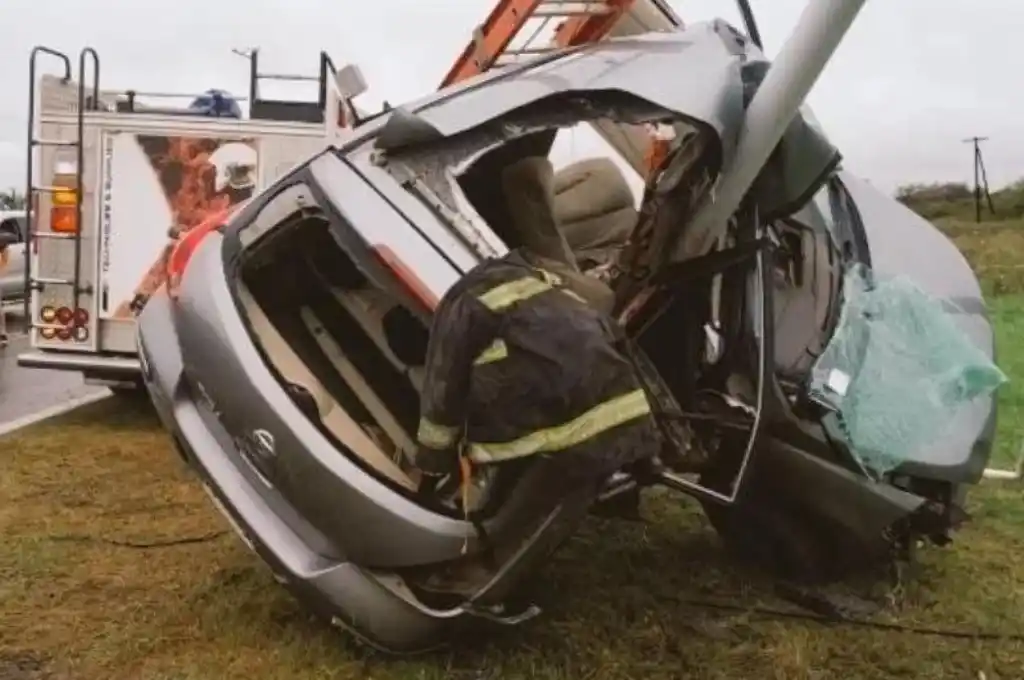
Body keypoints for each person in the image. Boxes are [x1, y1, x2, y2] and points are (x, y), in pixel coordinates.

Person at [409, 156, 665, 597]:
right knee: (565, 490)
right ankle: (491, 572)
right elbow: (616, 345)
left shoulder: (458, 308)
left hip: (571, 421)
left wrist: (428, 479)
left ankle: (481, 585)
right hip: (619, 407)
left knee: (535, 506)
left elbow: (441, 399)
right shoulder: (549, 284)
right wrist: (646, 444)